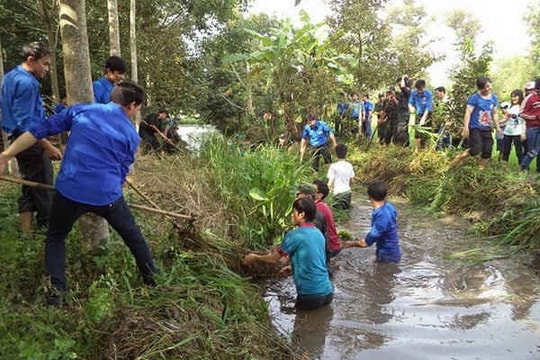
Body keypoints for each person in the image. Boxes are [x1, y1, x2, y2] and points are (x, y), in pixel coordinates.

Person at [0, 80, 158, 305]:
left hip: (69, 193)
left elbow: (37, 131)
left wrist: (6, 155)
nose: (136, 112)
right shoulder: (131, 137)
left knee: (55, 238)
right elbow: (122, 178)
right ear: (132, 105)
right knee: (134, 238)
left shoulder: (81, 111)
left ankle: (56, 296)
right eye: (138, 108)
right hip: (108, 197)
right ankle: (154, 282)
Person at [0, 42, 62, 236]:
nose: (47, 69)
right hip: (28, 140)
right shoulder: (26, 83)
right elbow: (27, 123)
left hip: (17, 138)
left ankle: (26, 235)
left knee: (29, 184)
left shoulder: (11, 76)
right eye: (44, 64)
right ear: (31, 61)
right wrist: (46, 145)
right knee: (44, 186)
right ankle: (49, 233)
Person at [242, 197, 334, 311]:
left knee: (300, 327)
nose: (291, 215)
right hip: (328, 292)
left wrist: (254, 257)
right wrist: (292, 266)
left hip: (310, 294)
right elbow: (316, 258)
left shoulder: (295, 235)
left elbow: (273, 259)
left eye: (293, 212)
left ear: (301, 214)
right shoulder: (318, 233)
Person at [342, 180, 401, 263]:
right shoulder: (389, 207)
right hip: (393, 251)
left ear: (369, 196)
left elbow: (365, 243)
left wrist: (350, 243)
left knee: (382, 274)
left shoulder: (381, 217)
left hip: (386, 256)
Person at [450, 77, 502, 169]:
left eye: (488, 86)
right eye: (484, 87)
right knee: (477, 148)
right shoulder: (475, 98)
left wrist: (497, 127)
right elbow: (468, 112)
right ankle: (459, 157)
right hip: (475, 127)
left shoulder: (494, 98)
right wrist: (465, 128)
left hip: (487, 128)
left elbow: (494, 113)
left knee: (488, 150)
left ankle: (480, 170)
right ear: (480, 88)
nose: (487, 89)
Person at [313, 180, 342, 259]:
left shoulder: (318, 208)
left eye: (312, 190)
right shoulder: (321, 205)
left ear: (320, 195)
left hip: (329, 246)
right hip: (332, 244)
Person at [519, 79, 540, 172]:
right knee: (533, 151)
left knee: (538, 149)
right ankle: (523, 168)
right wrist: (536, 117)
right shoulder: (530, 98)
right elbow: (521, 113)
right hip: (532, 128)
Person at [408, 79, 434, 152]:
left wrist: (423, 118)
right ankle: (416, 149)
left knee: (426, 132)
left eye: (420, 89)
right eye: (418, 89)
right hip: (418, 114)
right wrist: (410, 107)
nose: (419, 91)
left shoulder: (429, 94)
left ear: (423, 87)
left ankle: (426, 149)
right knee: (417, 132)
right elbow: (410, 102)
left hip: (428, 114)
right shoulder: (414, 93)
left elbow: (428, 107)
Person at [327, 143, 354, 210]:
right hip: (347, 193)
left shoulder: (333, 166)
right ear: (346, 153)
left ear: (336, 153)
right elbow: (351, 181)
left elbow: (330, 183)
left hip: (337, 194)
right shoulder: (349, 165)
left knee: (337, 213)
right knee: (346, 213)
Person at [501, 90, 525, 164]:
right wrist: (496, 123)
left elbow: (525, 121)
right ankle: (504, 167)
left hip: (518, 132)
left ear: (520, 97)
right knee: (505, 150)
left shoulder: (523, 107)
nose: (513, 98)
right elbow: (506, 119)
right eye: (512, 96)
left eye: (515, 96)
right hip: (507, 132)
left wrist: (523, 132)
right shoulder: (510, 107)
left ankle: (522, 168)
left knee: (519, 151)